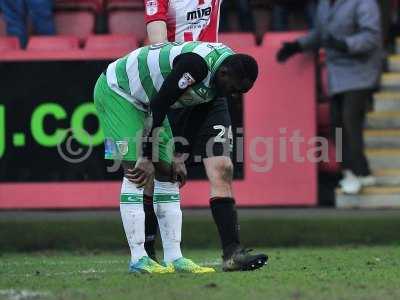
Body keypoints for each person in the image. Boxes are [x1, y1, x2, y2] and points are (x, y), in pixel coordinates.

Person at [94, 41, 265, 273]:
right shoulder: (196, 66)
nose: (233, 95)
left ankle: (174, 257)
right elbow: (160, 102)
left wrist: (179, 156)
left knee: (170, 174)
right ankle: (138, 258)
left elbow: (196, 114)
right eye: (234, 89)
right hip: (118, 91)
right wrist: (146, 155)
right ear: (224, 73)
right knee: (137, 170)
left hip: (149, 102)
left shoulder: (222, 74)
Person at [144, 0, 268, 271]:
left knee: (222, 167)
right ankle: (147, 252)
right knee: (158, 173)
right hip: (180, 82)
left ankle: (232, 253)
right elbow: (157, 44)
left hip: (214, 84)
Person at [276, 0, 382, 195]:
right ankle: (354, 172)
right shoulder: (324, 4)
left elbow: (372, 37)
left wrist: (344, 44)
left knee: (350, 119)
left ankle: (358, 172)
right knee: (336, 126)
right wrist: (297, 45)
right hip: (337, 75)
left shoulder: (364, 3)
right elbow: (321, 34)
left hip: (361, 71)